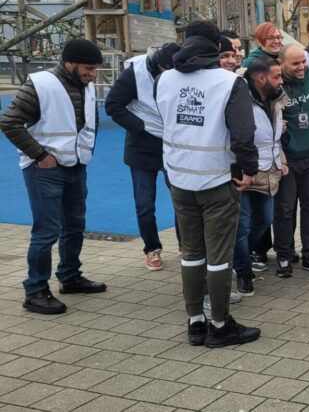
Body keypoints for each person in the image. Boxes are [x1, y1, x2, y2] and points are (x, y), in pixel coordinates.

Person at [154, 20, 260, 347]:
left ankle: (195, 323)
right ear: (217, 47)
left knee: (191, 252)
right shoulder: (229, 83)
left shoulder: (165, 79)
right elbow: (243, 134)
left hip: (180, 178)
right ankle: (219, 324)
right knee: (219, 256)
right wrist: (248, 169)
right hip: (217, 178)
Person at [1, 38, 107, 314]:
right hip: (44, 169)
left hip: (76, 165)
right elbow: (9, 121)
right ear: (69, 63)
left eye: (95, 69)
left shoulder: (87, 85)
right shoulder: (40, 84)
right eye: (88, 68)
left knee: (74, 226)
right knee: (46, 231)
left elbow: (88, 125)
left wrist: (85, 153)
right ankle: (35, 290)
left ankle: (70, 276)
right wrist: (40, 155)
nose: (92, 74)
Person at [104, 42, 180, 271]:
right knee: (145, 203)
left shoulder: (182, 71)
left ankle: (187, 243)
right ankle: (152, 248)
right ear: (158, 65)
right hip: (142, 145)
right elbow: (113, 105)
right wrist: (139, 126)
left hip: (172, 143)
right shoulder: (134, 72)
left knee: (182, 199)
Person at [273, 44, 309, 277]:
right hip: (288, 157)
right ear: (282, 63)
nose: (302, 67)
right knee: (285, 209)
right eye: (295, 63)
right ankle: (284, 256)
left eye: (303, 62)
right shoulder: (276, 84)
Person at [234, 57, 287, 297]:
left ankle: (240, 254)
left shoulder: (276, 97)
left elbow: (275, 136)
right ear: (260, 78)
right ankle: (243, 272)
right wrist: (241, 170)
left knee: (265, 219)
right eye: (277, 76)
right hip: (244, 172)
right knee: (242, 225)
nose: (281, 80)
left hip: (269, 170)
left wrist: (281, 159)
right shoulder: (240, 99)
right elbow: (236, 138)